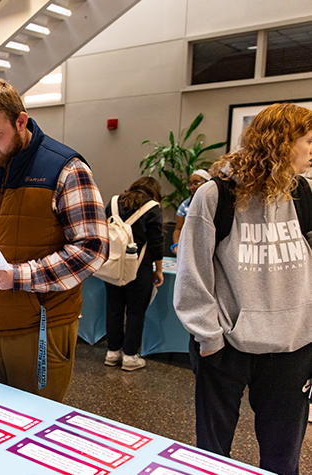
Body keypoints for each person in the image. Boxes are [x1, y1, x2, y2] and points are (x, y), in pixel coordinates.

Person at [174, 103, 312, 475]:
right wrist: (210, 338)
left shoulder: (305, 196)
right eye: (308, 142)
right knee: (213, 455)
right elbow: (193, 273)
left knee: (283, 458)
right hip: (226, 348)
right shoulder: (216, 196)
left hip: (292, 349)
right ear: (282, 144)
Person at [0, 78, 108, 402]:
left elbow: (92, 248)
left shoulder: (66, 169)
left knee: (31, 431)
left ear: (21, 121)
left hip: (37, 330)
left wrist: (20, 277)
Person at [103, 177, 165, 371]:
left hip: (113, 266)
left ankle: (112, 352)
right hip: (140, 268)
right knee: (135, 312)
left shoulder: (113, 202)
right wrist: (159, 269)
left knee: (114, 308)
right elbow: (157, 241)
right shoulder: (152, 207)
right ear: (154, 193)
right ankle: (130, 356)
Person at [171, 169, 210, 254]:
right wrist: (176, 245)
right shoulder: (185, 205)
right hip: (188, 250)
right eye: (190, 184)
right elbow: (178, 229)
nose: (192, 187)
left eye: (196, 183)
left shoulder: (213, 204)